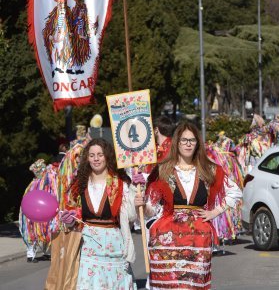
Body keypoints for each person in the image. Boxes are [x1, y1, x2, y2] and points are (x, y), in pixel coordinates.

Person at [135, 121, 242, 290]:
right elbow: (152, 210)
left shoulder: (209, 169)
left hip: (197, 239)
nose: (188, 144)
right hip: (166, 241)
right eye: (184, 140)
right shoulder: (162, 170)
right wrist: (139, 206)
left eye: (192, 140)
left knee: (194, 285)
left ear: (197, 143)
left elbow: (235, 192)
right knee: (169, 285)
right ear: (176, 142)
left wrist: (214, 212)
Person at [60, 138, 137, 289]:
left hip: (115, 245)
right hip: (88, 247)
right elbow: (73, 218)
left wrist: (135, 191)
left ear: (107, 156)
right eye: (92, 155)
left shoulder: (120, 183)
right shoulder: (79, 185)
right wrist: (68, 220)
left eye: (100, 154)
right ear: (87, 158)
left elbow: (131, 216)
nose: (96, 159)